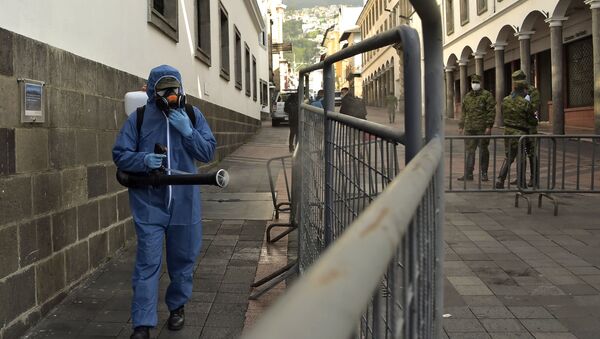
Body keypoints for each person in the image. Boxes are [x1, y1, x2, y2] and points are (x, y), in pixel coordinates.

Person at [112, 65, 216, 339]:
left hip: (185, 203)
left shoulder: (192, 115)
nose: (170, 94)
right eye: (163, 89)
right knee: (147, 263)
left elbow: (208, 151)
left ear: (182, 90)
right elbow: (120, 154)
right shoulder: (139, 118)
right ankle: (142, 324)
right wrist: (142, 160)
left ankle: (177, 307)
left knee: (183, 260)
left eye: (175, 89)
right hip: (149, 204)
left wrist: (188, 131)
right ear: (151, 91)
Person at [495, 70, 537, 189]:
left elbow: (503, 114)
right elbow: (532, 120)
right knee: (521, 157)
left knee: (509, 157)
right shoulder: (525, 103)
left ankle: (500, 180)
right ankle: (521, 183)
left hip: (508, 132)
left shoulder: (505, 100)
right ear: (522, 90)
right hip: (520, 133)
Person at [457, 74, 495, 182]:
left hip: (482, 129)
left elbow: (491, 111)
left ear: (480, 83)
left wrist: (489, 126)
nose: (475, 84)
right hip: (469, 128)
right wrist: (461, 126)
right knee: (469, 151)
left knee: (483, 150)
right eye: (473, 82)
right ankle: (468, 173)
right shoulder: (467, 97)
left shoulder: (487, 95)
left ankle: (484, 173)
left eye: (477, 82)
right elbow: (463, 112)